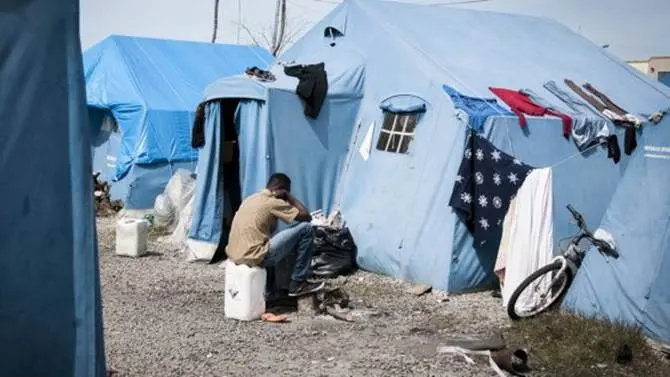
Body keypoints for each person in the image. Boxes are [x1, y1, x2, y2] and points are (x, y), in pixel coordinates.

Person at [225, 173, 325, 297]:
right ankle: (298, 283)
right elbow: (306, 216)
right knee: (306, 229)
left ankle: (271, 292)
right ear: (280, 189)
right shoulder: (273, 202)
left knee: (266, 241)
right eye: (286, 192)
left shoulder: (251, 198)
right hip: (253, 257)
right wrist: (290, 197)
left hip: (234, 255)